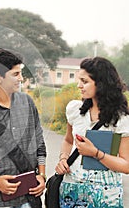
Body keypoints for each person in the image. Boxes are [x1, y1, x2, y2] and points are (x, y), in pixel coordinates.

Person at [55, 57, 129, 207]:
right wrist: (63, 158)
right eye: (79, 80)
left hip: (105, 195)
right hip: (72, 190)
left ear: (101, 84)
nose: (79, 85)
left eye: (85, 81)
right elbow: (68, 141)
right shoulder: (75, 110)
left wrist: (95, 153)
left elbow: (126, 165)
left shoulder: (121, 119)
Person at [0, 49, 47, 208]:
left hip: (29, 198)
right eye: (15, 74)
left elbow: (39, 142)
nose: (21, 79)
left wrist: (41, 176)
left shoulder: (27, 102)